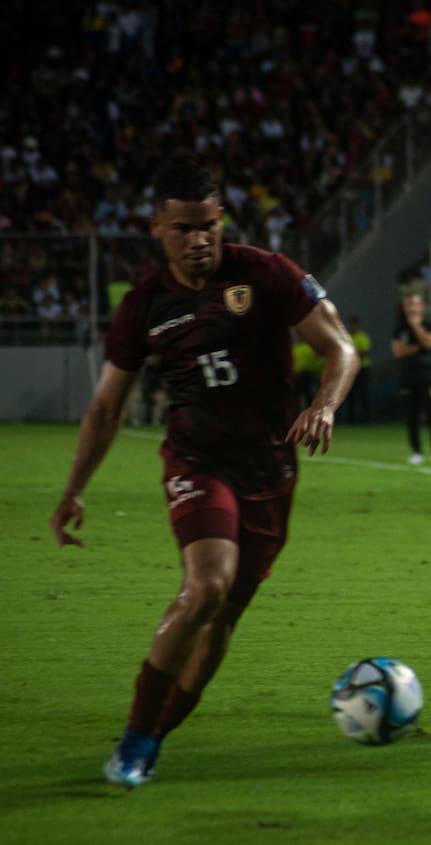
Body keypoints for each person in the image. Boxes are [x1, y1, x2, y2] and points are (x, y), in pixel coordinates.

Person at [49, 157, 359, 788]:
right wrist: (73, 489)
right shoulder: (144, 305)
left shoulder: (266, 274)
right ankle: (134, 739)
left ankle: (155, 737)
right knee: (205, 588)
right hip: (197, 462)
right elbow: (107, 407)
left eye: (210, 226)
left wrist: (324, 404)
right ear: (158, 226)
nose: (200, 240)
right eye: (185, 228)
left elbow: (340, 347)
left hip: (271, 470)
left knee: (224, 617)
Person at [392, 291, 431, 465]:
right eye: (408, 304)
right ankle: (416, 452)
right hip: (408, 376)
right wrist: (418, 346)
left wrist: (416, 328)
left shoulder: (429, 324)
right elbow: (398, 352)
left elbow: (430, 343)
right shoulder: (399, 327)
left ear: (421, 307)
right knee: (411, 416)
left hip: (428, 376)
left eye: (414, 304)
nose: (410, 308)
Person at [346, 315, 372, 424]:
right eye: (351, 325)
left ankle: (366, 420)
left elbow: (365, 352)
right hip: (350, 370)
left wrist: (352, 353)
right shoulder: (346, 337)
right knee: (350, 396)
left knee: (363, 395)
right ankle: (351, 421)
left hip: (362, 369)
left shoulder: (363, 337)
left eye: (354, 324)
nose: (353, 327)